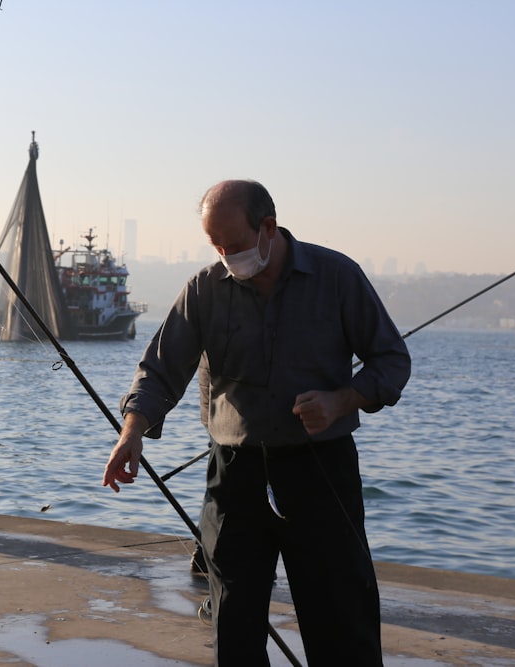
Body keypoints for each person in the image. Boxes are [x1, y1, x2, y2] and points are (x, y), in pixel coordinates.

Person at [102, 180, 411, 666]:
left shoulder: (337, 277)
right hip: (235, 473)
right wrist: (131, 433)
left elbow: (392, 362)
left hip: (320, 470)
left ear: (269, 227)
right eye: (215, 245)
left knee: (340, 618)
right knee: (235, 622)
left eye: (236, 244)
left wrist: (341, 400)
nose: (227, 256)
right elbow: (160, 369)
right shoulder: (203, 289)